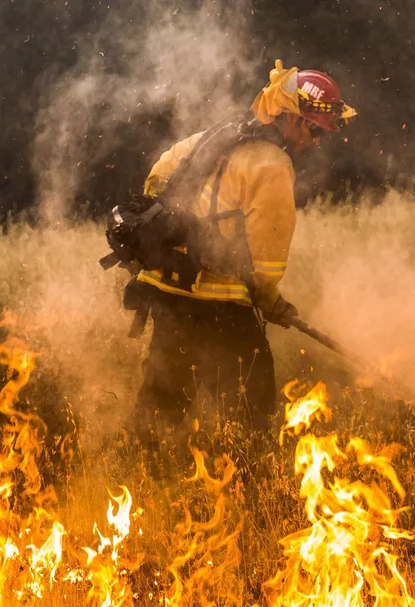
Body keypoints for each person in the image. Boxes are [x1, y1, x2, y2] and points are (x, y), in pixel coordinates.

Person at [126, 60, 355, 434]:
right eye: (315, 129)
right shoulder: (273, 166)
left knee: (161, 404)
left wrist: (178, 233)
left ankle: (134, 460)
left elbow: (155, 179)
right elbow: (265, 264)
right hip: (221, 309)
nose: (316, 141)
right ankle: (250, 469)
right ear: (291, 117)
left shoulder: (212, 138)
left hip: (168, 297)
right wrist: (272, 302)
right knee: (252, 411)